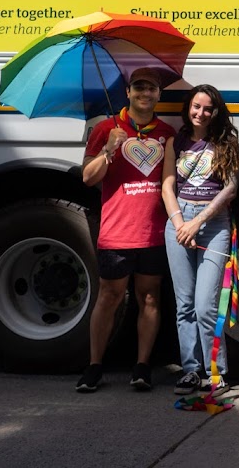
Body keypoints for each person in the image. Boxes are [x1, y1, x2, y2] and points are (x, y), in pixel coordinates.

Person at [76, 67, 176, 393]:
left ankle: (142, 366)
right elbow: (88, 178)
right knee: (109, 297)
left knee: (150, 297)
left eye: (152, 89)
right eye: (140, 88)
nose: (146, 94)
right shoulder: (106, 129)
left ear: (159, 95)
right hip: (116, 232)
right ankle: (94, 366)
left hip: (152, 232)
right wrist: (109, 149)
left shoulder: (166, 132)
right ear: (128, 93)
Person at [160, 85, 239, 395]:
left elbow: (230, 189)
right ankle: (191, 371)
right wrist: (181, 223)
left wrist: (197, 222)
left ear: (216, 111)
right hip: (178, 221)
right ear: (187, 107)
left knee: (206, 305)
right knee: (185, 305)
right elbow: (167, 186)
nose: (201, 113)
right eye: (196, 106)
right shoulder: (175, 141)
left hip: (213, 224)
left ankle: (216, 372)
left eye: (208, 108)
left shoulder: (226, 142)